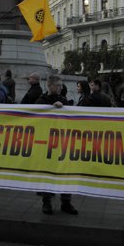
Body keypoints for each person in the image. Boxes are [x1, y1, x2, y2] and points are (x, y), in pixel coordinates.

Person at [35, 75, 78, 216]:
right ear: (50, 86)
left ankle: (66, 201)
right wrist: (51, 109)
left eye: (61, 85)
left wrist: (63, 108)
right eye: (58, 85)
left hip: (62, 142)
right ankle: (46, 202)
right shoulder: (42, 101)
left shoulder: (64, 100)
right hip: (47, 143)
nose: (60, 88)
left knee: (65, 172)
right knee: (47, 173)